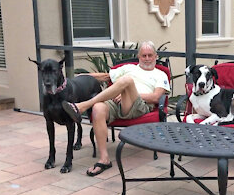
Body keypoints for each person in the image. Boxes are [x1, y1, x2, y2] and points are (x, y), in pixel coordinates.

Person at [62, 41, 170, 176]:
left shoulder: (160, 74)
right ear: (138, 56)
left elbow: (155, 97)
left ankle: (83, 106)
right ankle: (104, 159)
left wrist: (128, 92)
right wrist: (77, 78)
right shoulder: (129, 67)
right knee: (98, 108)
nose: (147, 59)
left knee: (127, 81)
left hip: (139, 106)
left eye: (150, 55)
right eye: (144, 56)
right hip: (117, 102)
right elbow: (106, 76)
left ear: (156, 56)